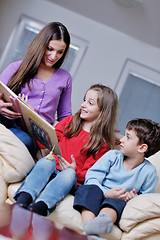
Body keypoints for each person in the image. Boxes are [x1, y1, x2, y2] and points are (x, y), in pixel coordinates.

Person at [14, 84, 118, 217]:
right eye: (84, 100)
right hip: (51, 166)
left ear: (103, 111)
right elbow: (46, 141)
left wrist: (74, 169)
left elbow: (92, 173)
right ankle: (23, 199)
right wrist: (32, 117)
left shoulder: (102, 143)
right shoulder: (70, 121)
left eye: (90, 103)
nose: (83, 105)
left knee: (68, 174)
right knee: (46, 161)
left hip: (71, 177)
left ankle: (40, 206)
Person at [73, 118, 160, 239]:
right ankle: (89, 227)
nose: (121, 139)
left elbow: (145, 198)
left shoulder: (149, 172)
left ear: (142, 148)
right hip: (98, 191)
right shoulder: (112, 156)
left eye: (128, 137)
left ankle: (102, 222)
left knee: (117, 202)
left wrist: (134, 199)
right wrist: (106, 193)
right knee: (89, 189)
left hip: (116, 202)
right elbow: (92, 177)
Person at [0, 21, 72, 157]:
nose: (53, 56)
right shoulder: (16, 67)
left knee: (24, 140)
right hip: (8, 120)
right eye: (50, 49)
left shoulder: (65, 78)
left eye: (60, 52)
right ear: (41, 45)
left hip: (34, 136)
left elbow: (65, 117)